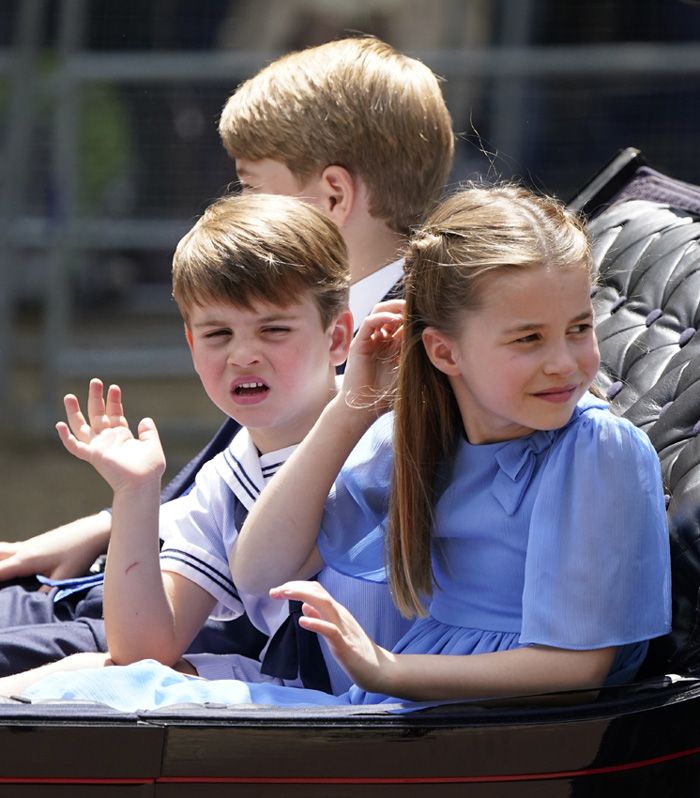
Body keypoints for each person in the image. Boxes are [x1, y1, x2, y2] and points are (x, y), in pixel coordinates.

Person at [1, 184, 671, 710]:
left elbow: (580, 668)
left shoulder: (596, 450)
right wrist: (352, 411)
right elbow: (261, 570)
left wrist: (390, 669)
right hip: (391, 701)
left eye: (578, 328)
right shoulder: (416, 434)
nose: (567, 361)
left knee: (100, 694)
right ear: (444, 352)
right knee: (81, 688)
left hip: (465, 717)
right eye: (529, 339)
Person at [0, 35, 453, 677]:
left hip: (247, 638)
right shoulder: (309, 326)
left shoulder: (417, 350)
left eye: (249, 188)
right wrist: (109, 520)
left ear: (332, 196)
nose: (247, 352)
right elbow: (227, 482)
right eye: (216, 337)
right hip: (169, 577)